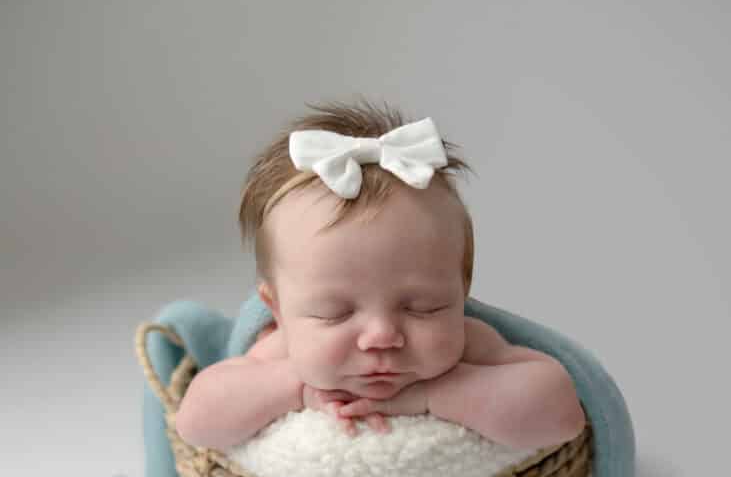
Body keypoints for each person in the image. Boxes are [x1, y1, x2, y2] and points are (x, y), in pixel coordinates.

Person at [175, 99, 585, 450]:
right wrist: (298, 388)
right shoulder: (281, 350)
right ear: (277, 310)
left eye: (423, 307)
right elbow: (195, 423)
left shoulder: (471, 345)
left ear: (462, 294)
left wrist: (435, 394)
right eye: (334, 313)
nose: (382, 336)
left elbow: (562, 413)